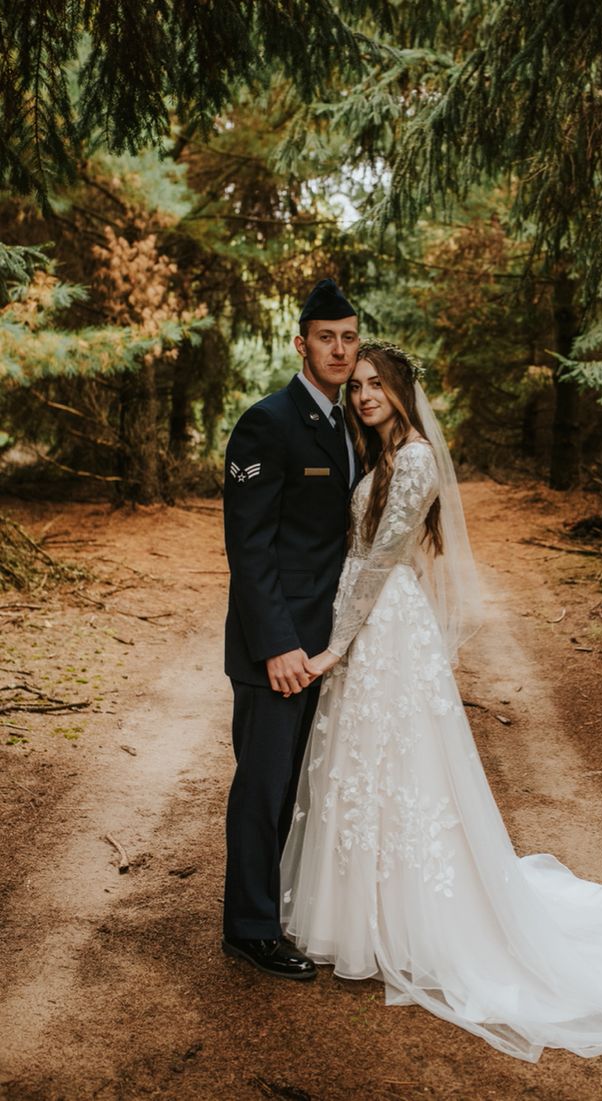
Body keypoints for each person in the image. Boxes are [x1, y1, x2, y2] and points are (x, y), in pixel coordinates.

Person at [280, 341, 602, 1060]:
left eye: (375, 385)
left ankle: (411, 922)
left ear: (399, 391)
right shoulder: (375, 454)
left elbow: (378, 561)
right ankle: (354, 916)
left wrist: (333, 645)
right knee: (359, 768)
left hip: (383, 627)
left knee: (402, 768)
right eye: (355, 385)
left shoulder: (415, 458)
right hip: (368, 622)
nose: (362, 396)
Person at [221, 278, 359, 979]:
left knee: (309, 787)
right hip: (278, 647)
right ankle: (249, 927)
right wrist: (277, 643)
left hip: (332, 644)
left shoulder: (352, 422)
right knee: (264, 784)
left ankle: (286, 907)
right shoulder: (265, 423)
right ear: (300, 342)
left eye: (349, 336)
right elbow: (249, 547)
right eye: (326, 336)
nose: (339, 348)